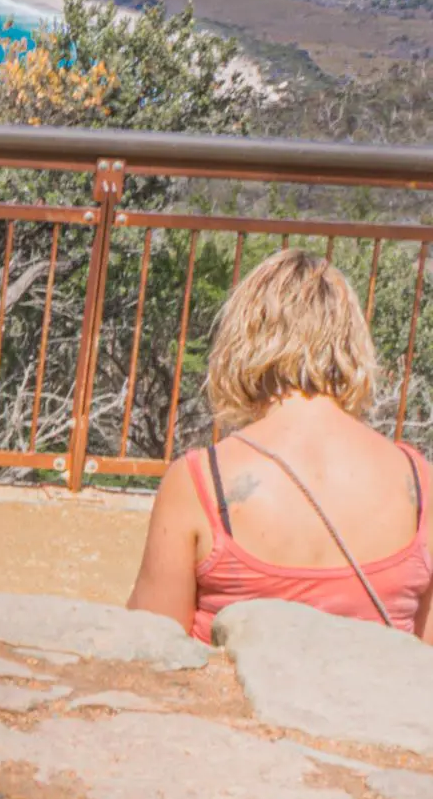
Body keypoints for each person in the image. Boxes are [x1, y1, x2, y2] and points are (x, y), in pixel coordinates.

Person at [128, 248, 433, 643]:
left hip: (238, 704)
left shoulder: (201, 481)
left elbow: (148, 646)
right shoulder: (419, 482)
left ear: (242, 339)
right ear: (353, 342)